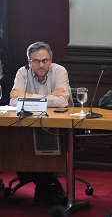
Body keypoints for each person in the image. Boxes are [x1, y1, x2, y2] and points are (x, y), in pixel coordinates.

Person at [9, 41, 71, 205]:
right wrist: (49, 96)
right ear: (29, 61)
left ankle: (45, 184)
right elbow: (14, 102)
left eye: (45, 60)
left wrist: (28, 96)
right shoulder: (23, 72)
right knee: (18, 145)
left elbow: (62, 101)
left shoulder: (59, 71)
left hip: (55, 126)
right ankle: (44, 184)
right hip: (25, 128)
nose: (41, 65)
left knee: (46, 144)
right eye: (36, 61)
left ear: (51, 59)